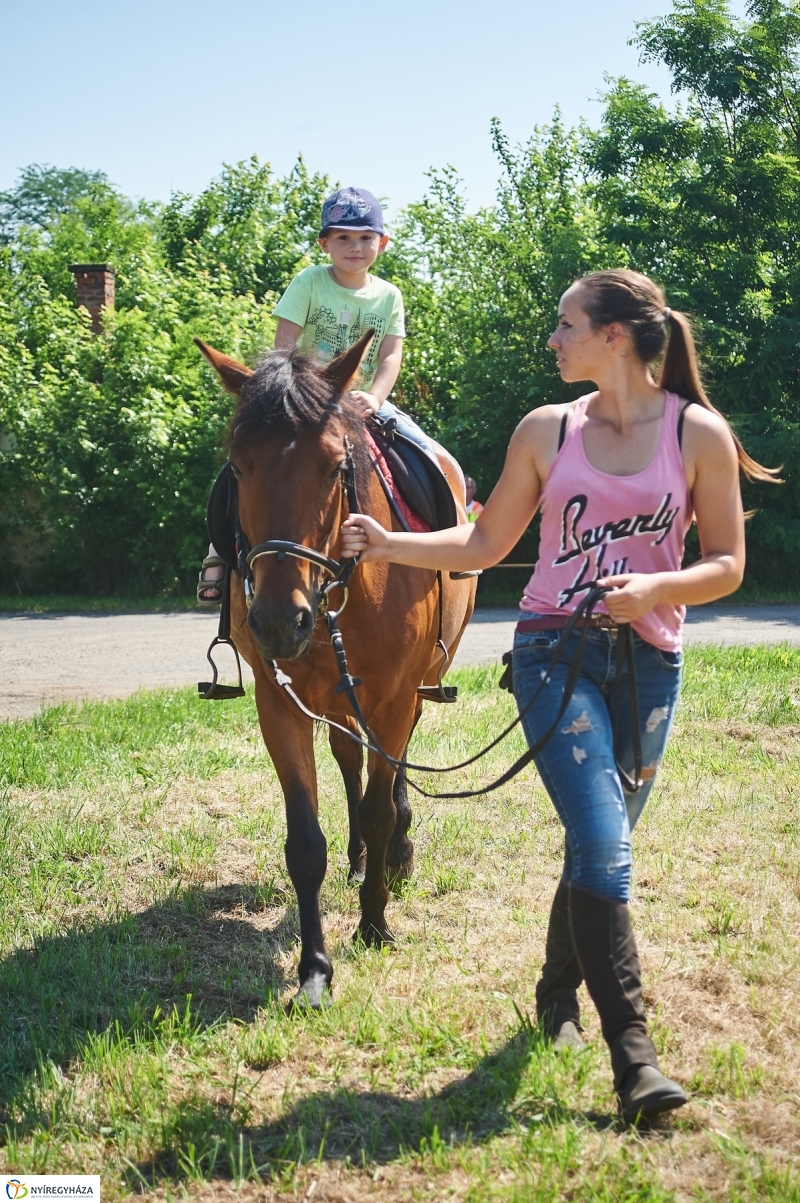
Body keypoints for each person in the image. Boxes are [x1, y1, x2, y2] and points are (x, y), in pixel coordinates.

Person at [340, 268, 777, 1121]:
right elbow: (484, 541)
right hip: (552, 652)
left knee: (595, 846)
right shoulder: (548, 429)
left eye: (566, 324)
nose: (553, 338)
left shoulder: (699, 434)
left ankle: (553, 993)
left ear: (614, 335)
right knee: (606, 843)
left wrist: (657, 589)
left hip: (651, 661)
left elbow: (727, 563)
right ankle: (636, 1060)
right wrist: (387, 539)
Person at [197, 186, 443, 603]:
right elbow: (284, 350)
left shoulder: (389, 295)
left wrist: (377, 399)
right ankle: (219, 551)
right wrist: (291, 396)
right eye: (343, 237)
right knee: (240, 467)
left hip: (364, 403)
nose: (355, 246)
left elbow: (390, 355)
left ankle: (446, 548)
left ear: (382, 243)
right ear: (324, 243)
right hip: (305, 406)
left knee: (432, 458)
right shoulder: (308, 282)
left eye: (366, 237)